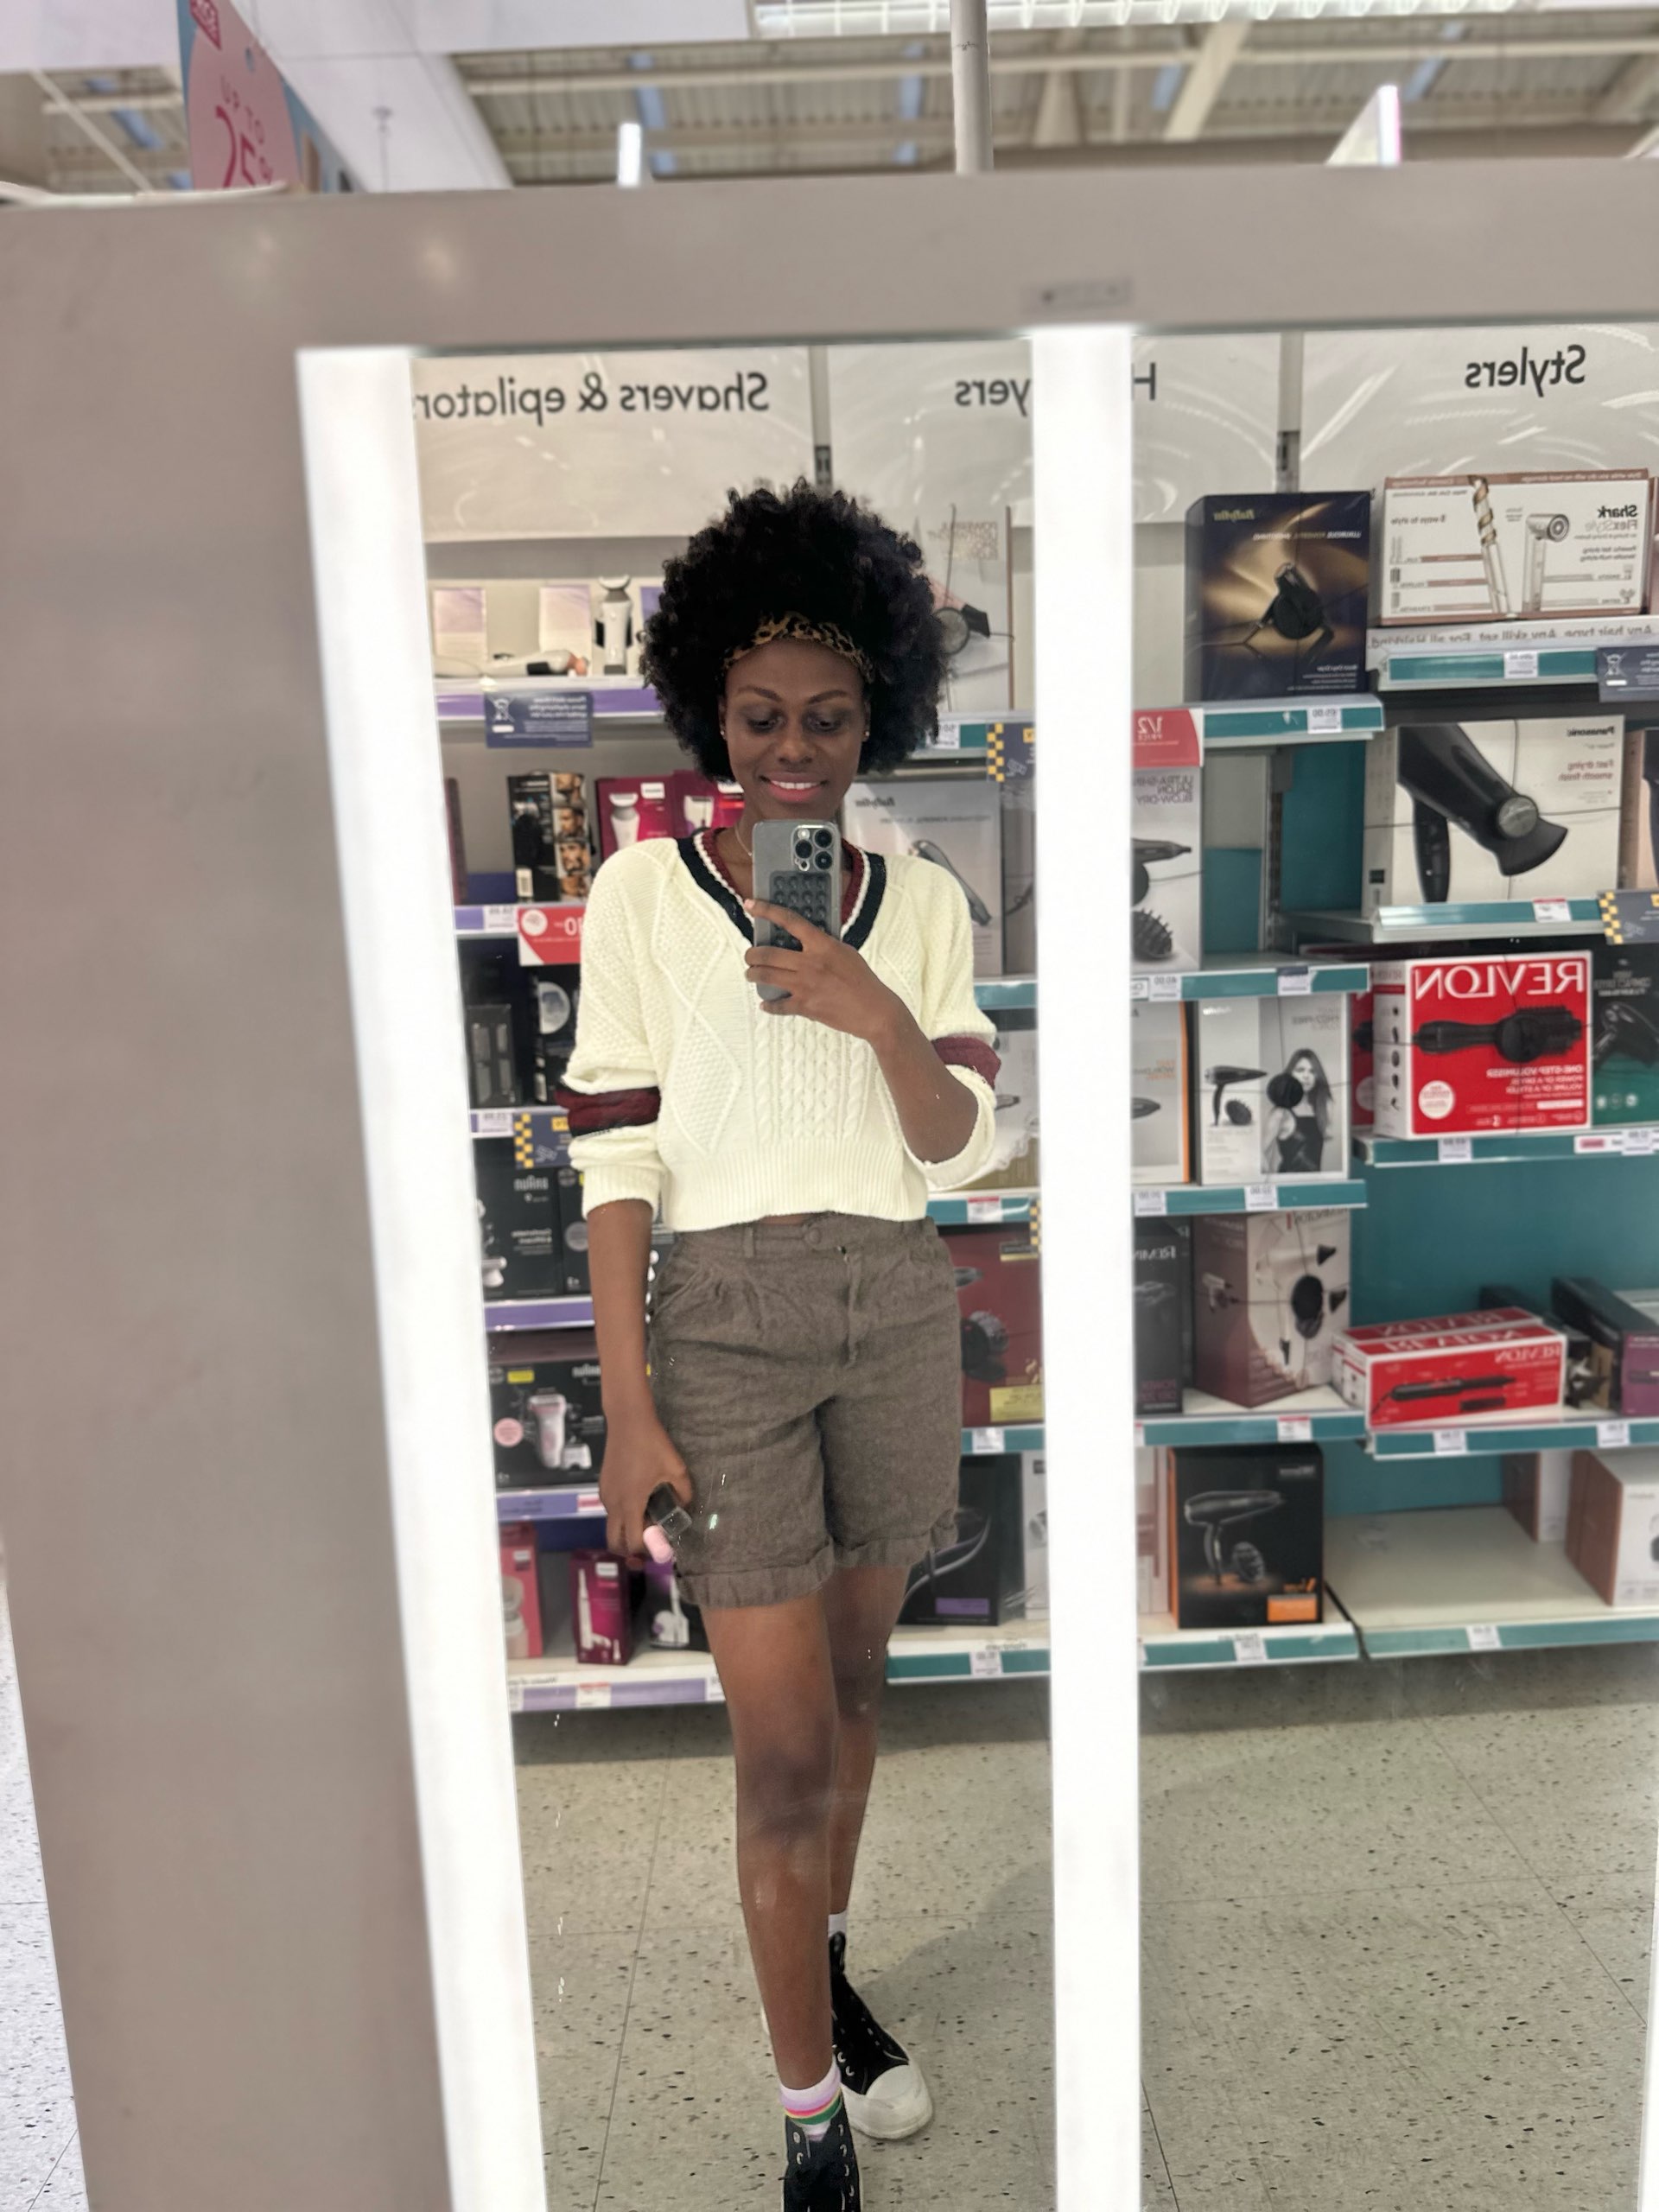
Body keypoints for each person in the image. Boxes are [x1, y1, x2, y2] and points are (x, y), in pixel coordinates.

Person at [556, 480, 1001, 2211]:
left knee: (865, 1689)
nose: (795, 752)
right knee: (785, 1746)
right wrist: (627, 1403)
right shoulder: (638, 897)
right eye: (761, 719)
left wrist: (875, 1011)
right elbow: (615, 1157)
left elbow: (955, 1146)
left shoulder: (929, 901)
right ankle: (810, 2111)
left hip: (894, 1304)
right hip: (723, 1329)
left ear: (875, 716)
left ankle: (827, 1968)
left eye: (827, 718)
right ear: (711, 718)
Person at [1262, 1046, 1332, 1175]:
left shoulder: (1319, 1110)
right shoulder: (1281, 1113)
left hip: (1314, 1183)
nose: (1306, 1076)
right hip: (1289, 1183)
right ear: (1291, 1073)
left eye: (1312, 1071)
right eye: (1300, 1070)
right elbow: (1258, 1154)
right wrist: (1273, 1179)